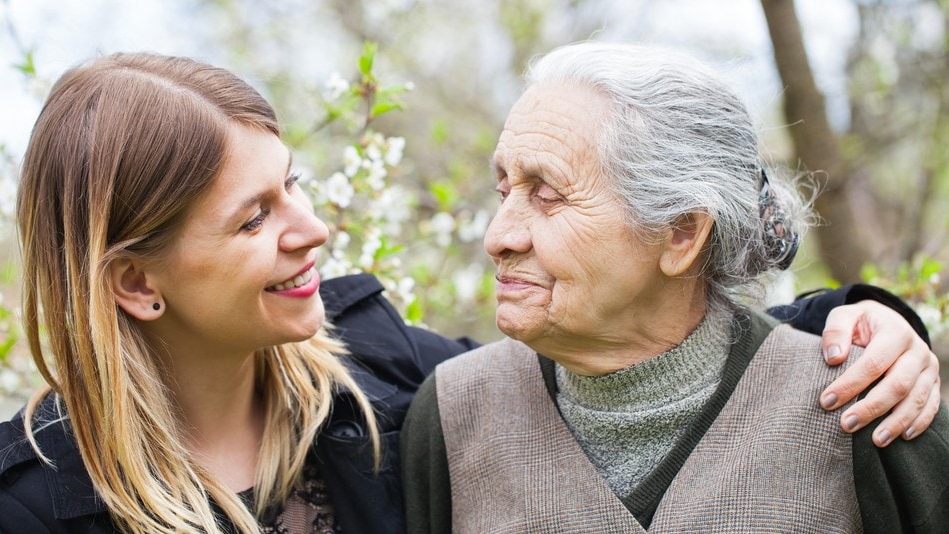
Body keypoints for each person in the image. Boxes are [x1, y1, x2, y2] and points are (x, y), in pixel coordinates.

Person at [0, 51, 938, 534]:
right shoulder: (33, 504)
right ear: (134, 283)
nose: (311, 229)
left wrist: (863, 326)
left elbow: (660, 352)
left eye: (296, 184)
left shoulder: (381, 376)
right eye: (253, 219)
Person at [400, 42, 949, 533]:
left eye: (548, 195)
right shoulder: (452, 415)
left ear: (682, 232)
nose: (499, 237)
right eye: (504, 191)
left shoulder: (872, 402)